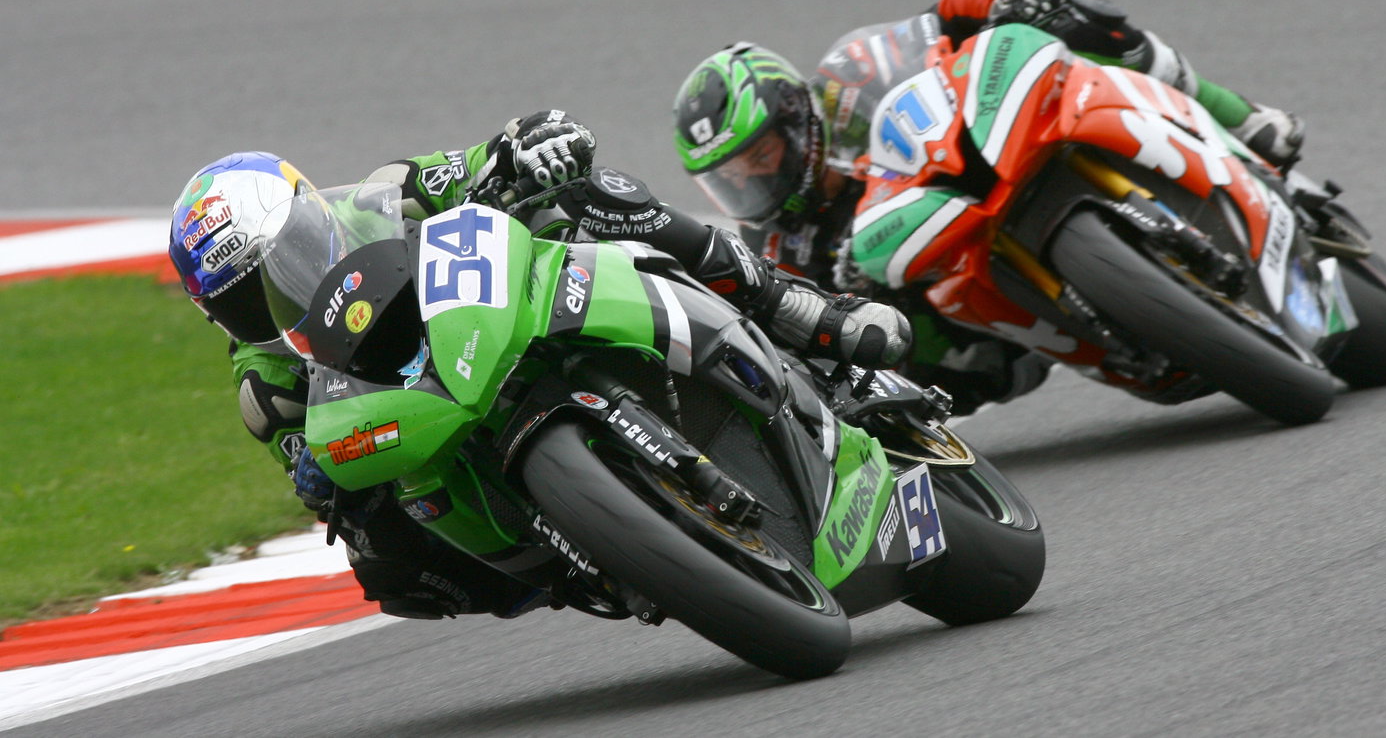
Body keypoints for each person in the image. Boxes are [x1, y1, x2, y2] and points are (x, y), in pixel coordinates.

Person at [168, 113, 910, 620]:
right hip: (431, 428)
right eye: (242, 300)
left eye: (281, 259)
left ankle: (798, 311)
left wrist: (531, 143)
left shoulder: (380, 195)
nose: (272, 297)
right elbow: (318, 474)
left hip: (493, 314)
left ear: (307, 213)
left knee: (592, 197)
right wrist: (323, 482)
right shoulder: (264, 386)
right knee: (390, 565)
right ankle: (590, 552)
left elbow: (478, 161)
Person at [671, 0, 1307, 414]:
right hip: (982, 329)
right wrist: (856, 311)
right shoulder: (783, 247)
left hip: (988, 150)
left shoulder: (851, 79)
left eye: (760, 156)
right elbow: (812, 341)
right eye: (730, 178)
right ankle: (1122, 336)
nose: (752, 180)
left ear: (792, 116)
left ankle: (1238, 116)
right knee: (902, 356)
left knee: (1082, 28)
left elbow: (947, 11)